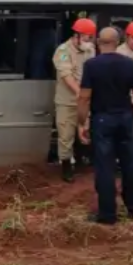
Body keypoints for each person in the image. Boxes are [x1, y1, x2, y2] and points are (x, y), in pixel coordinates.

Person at [77, 27, 133, 225]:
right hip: (125, 118)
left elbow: (84, 97)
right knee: (129, 164)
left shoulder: (91, 65)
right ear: (118, 42)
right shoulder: (129, 64)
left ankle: (107, 215)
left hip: (102, 120)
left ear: (99, 42)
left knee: (105, 167)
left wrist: (82, 122)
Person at [52, 17, 97, 182]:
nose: (88, 41)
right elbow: (66, 75)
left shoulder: (90, 50)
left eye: (90, 37)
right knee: (66, 134)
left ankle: (82, 160)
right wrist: (80, 92)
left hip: (86, 100)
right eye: (86, 37)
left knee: (85, 130)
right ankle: (65, 165)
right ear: (76, 35)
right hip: (67, 101)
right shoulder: (63, 51)